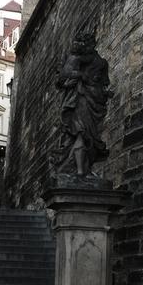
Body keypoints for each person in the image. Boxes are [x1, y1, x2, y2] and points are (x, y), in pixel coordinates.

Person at [56, 30, 111, 176]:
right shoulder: (75, 58)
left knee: (91, 138)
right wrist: (81, 75)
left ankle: (85, 169)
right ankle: (80, 171)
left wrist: (105, 92)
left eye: (88, 43)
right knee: (81, 132)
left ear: (92, 44)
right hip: (80, 99)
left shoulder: (101, 62)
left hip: (95, 100)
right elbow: (63, 77)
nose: (85, 46)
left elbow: (104, 83)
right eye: (84, 43)